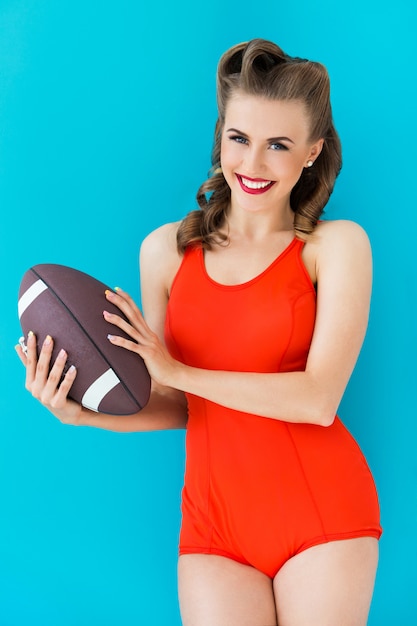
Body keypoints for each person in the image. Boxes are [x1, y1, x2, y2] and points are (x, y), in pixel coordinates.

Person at [16, 39, 382, 626]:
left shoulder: (336, 247)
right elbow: (181, 405)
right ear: (221, 137)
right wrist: (82, 413)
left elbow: (318, 401)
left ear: (312, 153)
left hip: (321, 511)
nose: (252, 165)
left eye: (278, 145)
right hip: (214, 526)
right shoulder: (166, 252)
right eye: (239, 139)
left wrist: (178, 371)